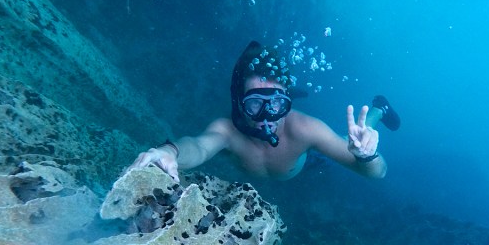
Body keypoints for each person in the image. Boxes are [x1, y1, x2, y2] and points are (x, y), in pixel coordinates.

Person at [126, 41, 399, 184]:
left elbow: (378, 173)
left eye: (278, 105)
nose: (268, 116)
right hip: (284, 168)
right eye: (255, 105)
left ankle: (379, 108)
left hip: (302, 167)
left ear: (287, 103)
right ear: (239, 102)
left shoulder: (305, 129)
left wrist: (368, 155)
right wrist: (168, 152)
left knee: (355, 141)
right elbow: (198, 145)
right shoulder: (228, 130)